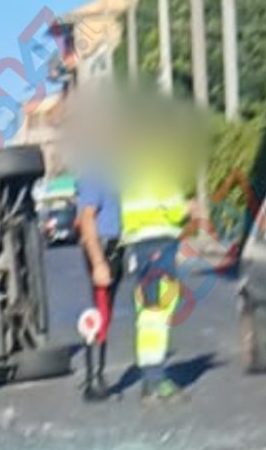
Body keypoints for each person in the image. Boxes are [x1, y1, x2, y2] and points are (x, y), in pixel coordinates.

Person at [121, 166, 189, 402]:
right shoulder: (162, 177)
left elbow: (127, 219)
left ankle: (150, 380)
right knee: (159, 313)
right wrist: (189, 207)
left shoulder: (131, 182)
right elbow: (176, 212)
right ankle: (156, 380)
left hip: (140, 249)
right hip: (162, 246)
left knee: (147, 314)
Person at [76, 171, 123, 401]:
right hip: (102, 247)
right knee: (100, 314)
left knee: (106, 313)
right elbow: (87, 218)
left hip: (114, 246)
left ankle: (98, 375)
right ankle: (93, 380)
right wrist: (98, 262)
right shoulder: (95, 171)